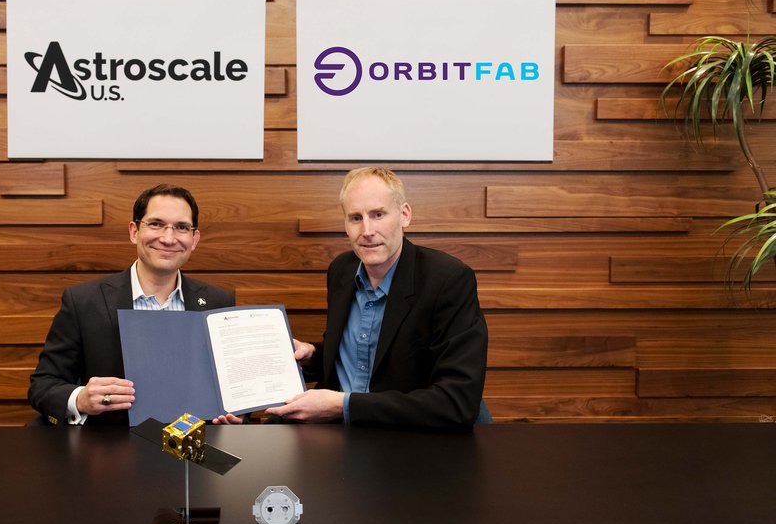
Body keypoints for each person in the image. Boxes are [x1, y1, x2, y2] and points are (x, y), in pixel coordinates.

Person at [265, 167, 488, 430]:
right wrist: (313, 355)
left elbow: (456, 402)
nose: (367, 230)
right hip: (336, 433)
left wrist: (342, 405)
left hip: (405, 436)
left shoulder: (448, 280)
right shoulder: (342, 271)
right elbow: (364, 352)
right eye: (355, 218)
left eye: (378, 215)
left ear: (404, 215)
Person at [28, 184, 234, 426]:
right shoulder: (84, 301)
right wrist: (81, 399)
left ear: (194, 238)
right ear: (134, 231)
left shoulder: (219, 303)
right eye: (156, 224)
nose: (168, 238)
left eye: (181, 227)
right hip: (109, 451)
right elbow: (43, 384)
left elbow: (233, 388)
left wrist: (235, 415)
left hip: (193, 451)